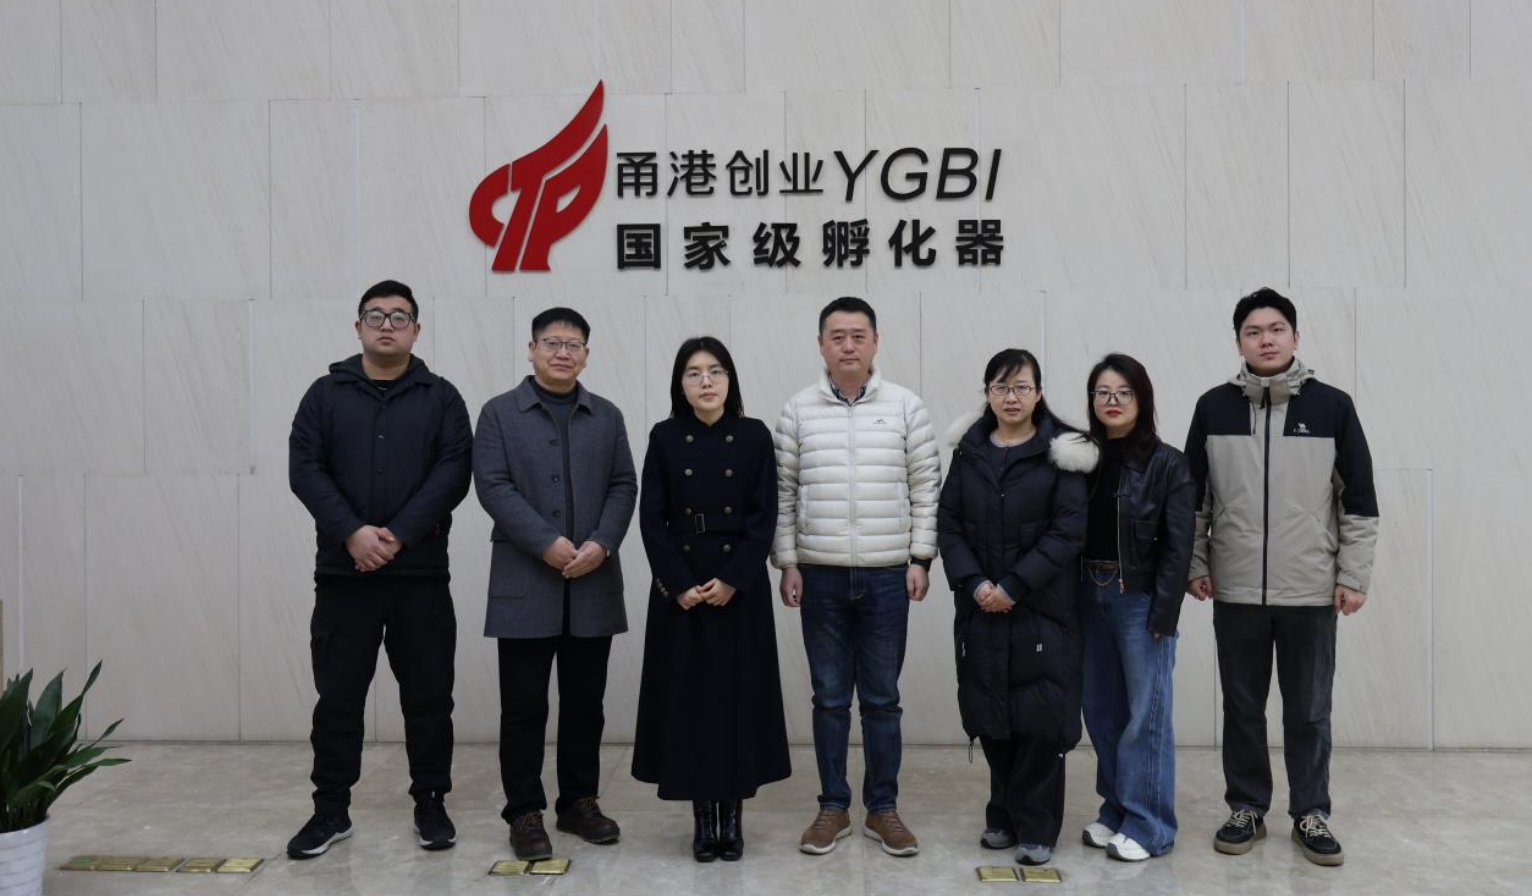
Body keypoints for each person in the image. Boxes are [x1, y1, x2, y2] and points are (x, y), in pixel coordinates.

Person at [1186, 288, 1378, 867]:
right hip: (1236, 588)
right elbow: (1192, 499)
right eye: (1253, 331)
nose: (1265, 340)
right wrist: (1197, 563)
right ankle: (1246, 807)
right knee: (1242, 708)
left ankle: (1311, 812)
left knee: (1309, 710)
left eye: (1275, 329)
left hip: (1311, 589)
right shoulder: (1213, 407)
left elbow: (1359, 500)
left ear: (1295, 336)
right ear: (1238, 341)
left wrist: (1353, 575)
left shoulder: (1332, 407)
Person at [286, 279, 472, 859]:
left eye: (399, 316)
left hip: (421, 576)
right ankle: (330, 810)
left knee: (429, 697)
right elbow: (305, 468)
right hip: (345, 576)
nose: (386, 324)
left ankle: (431, 803)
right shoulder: (324, 395)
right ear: (358, 327)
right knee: (338, 698)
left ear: (416, 329)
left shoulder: (442, 398)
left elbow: (454, 472)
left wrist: (398, 535)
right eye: (375, 315)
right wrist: (353, 533)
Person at [773, 296, 941, 857]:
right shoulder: (798, 410)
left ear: (875, 342)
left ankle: (883, 808)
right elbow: (783, 493)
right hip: (818, 575)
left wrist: (920, 558)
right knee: (828, 699)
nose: (848, 345)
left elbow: (926, 487)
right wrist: (788, 561)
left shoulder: (906, 407)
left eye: (858, 335)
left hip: (888, 575)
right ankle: (832, 807)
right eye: (837, 336)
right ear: (821, 344)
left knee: (882, 699)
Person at [473, 307, 638, 861]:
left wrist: (603, 543)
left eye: (574, 345)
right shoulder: (499, 413)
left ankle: (578, 802)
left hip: (593, 579)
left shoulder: (607, 415)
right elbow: (492, 485)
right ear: (532, 349)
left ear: (586, 355)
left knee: (585, 704)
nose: (563, 352)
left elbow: (624, 485)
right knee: (523, 707)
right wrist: (544, 542)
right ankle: (524, 811)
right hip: (525, 581)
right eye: (552, 342)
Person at [632, 337, 792, 862]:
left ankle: (734, 816)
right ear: (680, 384)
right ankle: (703, 818)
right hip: (682, 588)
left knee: (735, 701)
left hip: (737, 588)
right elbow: (651, 517)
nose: (706, 381)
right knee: (690, 704)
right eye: (694, 372)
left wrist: (733, 579)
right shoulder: (664, 436)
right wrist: (678, 584)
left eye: (716, 371)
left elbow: (765, 514)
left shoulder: (753, 435)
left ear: (730, 380)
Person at [936, 348, 1095, 867]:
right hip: (981, 606)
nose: (1011, 397)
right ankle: (1002, 814)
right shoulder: (969, 451)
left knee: (1040, 719)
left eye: (1021, 387)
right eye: (1001, 387)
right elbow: (949, 524)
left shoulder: (1063, 453)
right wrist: (975, 582)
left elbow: (1067, 532)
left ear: (1039, 393)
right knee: (992, 713)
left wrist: (1014, 585)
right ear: (987, 394)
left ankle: (1037, 826)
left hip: (1041, 608)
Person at [1078, 353, 1194, 862]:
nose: (1112, 401)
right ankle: (1117, 811)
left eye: (1123, 392)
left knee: (1145, 715)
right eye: (1103, 392)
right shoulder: (1081, 459)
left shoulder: (1168, 463)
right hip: (1088, 592)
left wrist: (1164, 614)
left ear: (1142, 399)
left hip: (1139, 598)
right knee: (1102, 711)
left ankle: (1151, 826)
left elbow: (1178, 547)